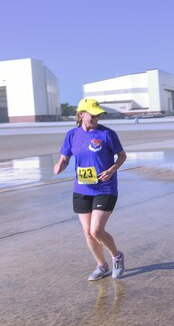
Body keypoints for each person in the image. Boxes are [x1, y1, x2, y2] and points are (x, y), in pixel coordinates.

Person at [53, 97, 127, 281]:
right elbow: (64, 158)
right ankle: (102, 266)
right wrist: (59, 166)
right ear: (81, 114)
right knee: (87, 232)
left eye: (98, 115)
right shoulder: (72, 135)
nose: (96, 118)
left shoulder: (107, 134)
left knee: (96, 230)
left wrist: (111, 170)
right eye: (92, 115)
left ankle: (117, 256)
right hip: (82, 189)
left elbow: (122, 156)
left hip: (105, 188)